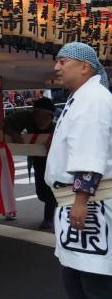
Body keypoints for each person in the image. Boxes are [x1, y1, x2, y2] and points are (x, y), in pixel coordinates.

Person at [43, 42, 112, 298]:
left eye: (62, 62)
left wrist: (81, 201)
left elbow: (90, 151)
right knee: (76, 277)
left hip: (90, 203)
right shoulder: (82, 97)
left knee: (94, 283)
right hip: (77, 203)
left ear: (85, 67)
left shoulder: (94, 100)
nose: (56, 67)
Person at [3, 96, 57, 230]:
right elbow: (6, 124)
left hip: (53, 162)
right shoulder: (26, 117)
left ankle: (48, 218)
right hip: (37, 159)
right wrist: (16, 135)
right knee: (41, 190)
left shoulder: (57, 126)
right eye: (38, 116)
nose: (41, 120)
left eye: (45, 117)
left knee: (50, 188)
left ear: (51, 118)